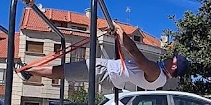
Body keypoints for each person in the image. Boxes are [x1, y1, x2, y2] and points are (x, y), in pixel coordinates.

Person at [18, 21, 190, 92]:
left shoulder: (156, 72)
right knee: (65, 71)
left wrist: (122, 33)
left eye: (172, 59)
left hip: (106, 70)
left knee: (64, 71)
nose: (169, 57)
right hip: (113, 76)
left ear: (173, 67)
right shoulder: (161, 80)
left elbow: (136, 54)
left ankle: (27, 70)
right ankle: (29, 70)